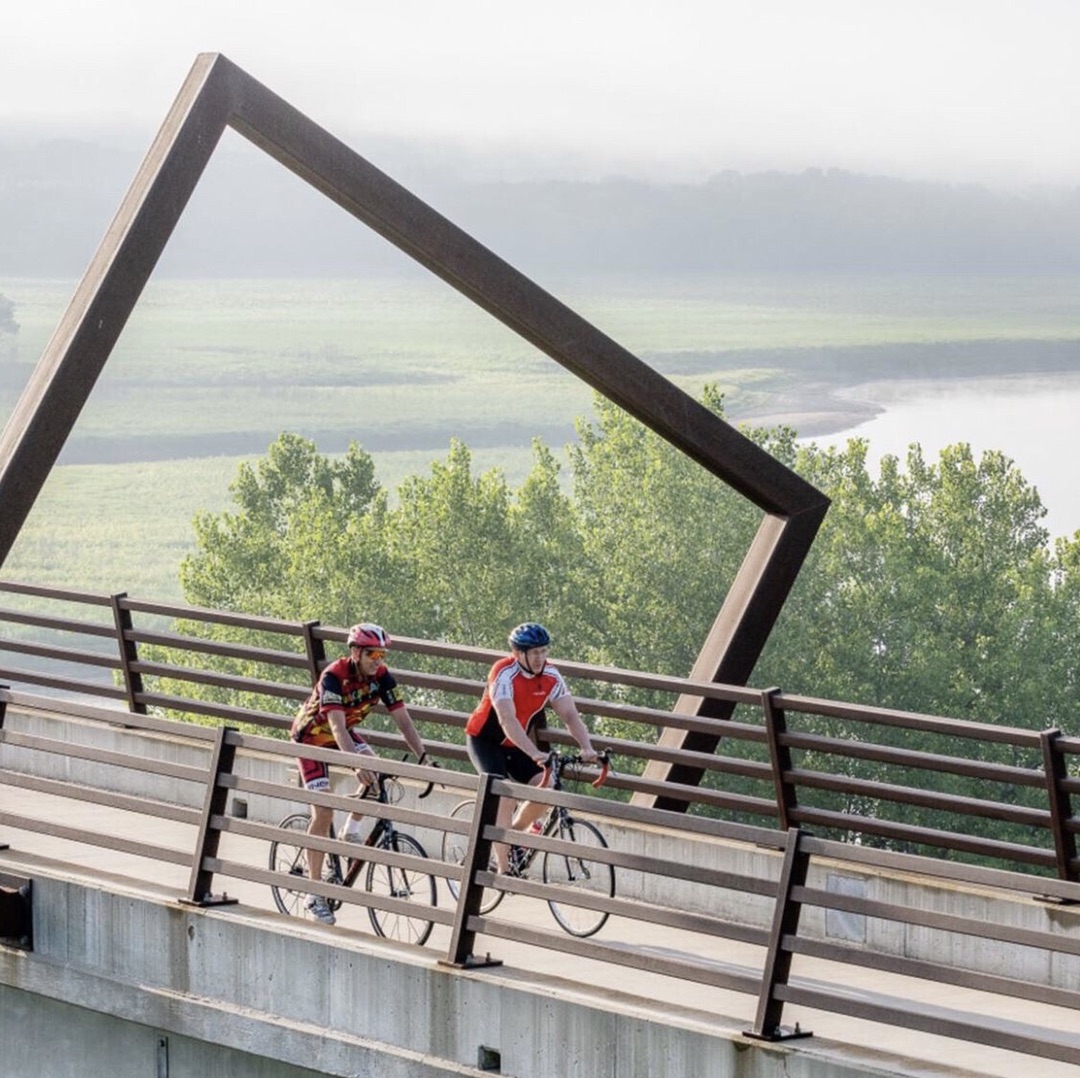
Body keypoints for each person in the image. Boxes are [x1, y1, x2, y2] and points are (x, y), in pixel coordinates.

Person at [290, 622, 428, 924]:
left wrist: (424, 756)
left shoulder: (381, 676)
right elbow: (337, 728)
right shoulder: (334, 677)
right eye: (371, 654)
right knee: (323, 811)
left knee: (376, 778)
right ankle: (313, 893)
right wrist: (355, 765)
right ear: (355, 652)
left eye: (382, 654)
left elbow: (403, 721)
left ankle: (350, 829)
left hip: (344, 733)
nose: (378, 659)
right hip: (313, 737)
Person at [465, 621, 598, 874]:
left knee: (547, 787)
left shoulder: (551, 676)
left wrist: (587, 747)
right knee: (503, 794)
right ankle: (504, 871)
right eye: (534, 652)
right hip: (485, 740)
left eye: (544, 651)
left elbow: (570, 715)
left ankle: (513, 836)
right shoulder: (503, 672)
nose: (540, 658)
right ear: (518, 653)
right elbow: (507, 718)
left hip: (515, 743)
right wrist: (534, 752)